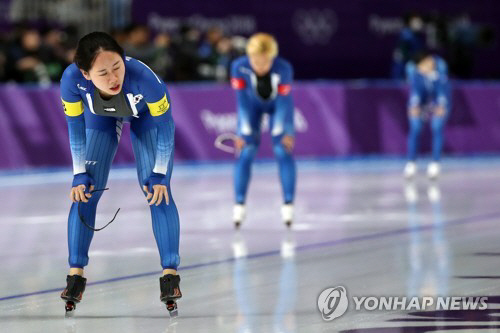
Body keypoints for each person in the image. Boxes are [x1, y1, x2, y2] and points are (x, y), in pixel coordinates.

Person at [59, 32, 181, 316]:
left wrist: (160, 173)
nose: (114, 77)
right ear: (86, 74)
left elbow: (165, 127)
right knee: (84, 192)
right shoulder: (70, 81)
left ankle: (170, 273)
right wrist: (79, 173)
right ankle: (76, 273)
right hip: (100, 118)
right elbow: (75, 127)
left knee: (156, 191)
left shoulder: (145, 79)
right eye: (103, 72)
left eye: (117, 67)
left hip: (146, 119)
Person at [230, 33, 296, 228]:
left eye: (264, 62)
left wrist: (281, 133)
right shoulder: (238, 67)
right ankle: (239, 204)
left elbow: (283, 104)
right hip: (251, 108)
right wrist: (243, 132)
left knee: (282, 149)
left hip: (279, 108)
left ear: (272, 58)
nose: (258, 66)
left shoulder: (284, 68)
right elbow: (241, 102)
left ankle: (288, 203)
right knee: (246, 150)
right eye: (254, 61)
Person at [404, 51, 451, 179]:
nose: (427, 65)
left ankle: (435, 163)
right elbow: (415, 93)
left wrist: (441, 106)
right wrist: (414, 106)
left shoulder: (440, 74)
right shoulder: (416, 75)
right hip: (422, 104)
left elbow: (443, 92)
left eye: (429, 62)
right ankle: (411, 162)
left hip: (437, 104)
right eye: (423, 64)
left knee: (437, 126)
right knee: (415, 127)